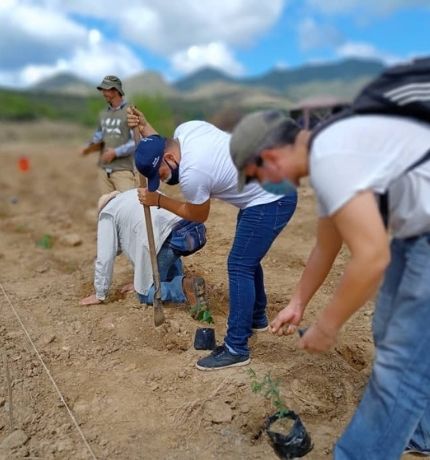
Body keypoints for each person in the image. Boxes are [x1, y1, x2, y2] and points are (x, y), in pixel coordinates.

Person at [229, 109, 430, 459]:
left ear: (270, 156)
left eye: (257, 175)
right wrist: (297, 303)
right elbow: (327, 245)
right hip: (417, 234)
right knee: (389, 328)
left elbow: (371, 258)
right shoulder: (328, 153)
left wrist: (328, 325)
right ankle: (422, 434)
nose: (263, 186)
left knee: (402, 349)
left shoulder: (331, 157)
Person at [127, 108, 298, 371]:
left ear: (171, 158)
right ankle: (257, 317)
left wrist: (159, 200)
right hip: (267, 188)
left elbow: (198, 214)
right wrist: (146, 127)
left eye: (160, 174)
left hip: (271, 199)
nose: (162, 180)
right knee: (247, 258)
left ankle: (236, 348)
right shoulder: (187, 130)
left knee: (239, 265)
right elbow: (162, 145)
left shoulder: (192, 174)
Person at [79, 188, 207, 308]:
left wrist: (100, 294)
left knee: (146, 293)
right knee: (167, 250)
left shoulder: (107, 213)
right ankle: (185, 285)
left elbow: (105, 257)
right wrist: (139, 281)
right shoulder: (138, 194)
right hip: (192, 230)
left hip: (168, 239)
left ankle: (183, 287)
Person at [81, 75, 137, 196]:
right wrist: (89, 145)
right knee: (107, 208)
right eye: (103, 90)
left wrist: (115, 152)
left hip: (123, 170)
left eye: (106, 89)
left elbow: (136, 141)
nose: (103, 93)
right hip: (103, 170)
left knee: (127, 206)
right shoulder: (103, 113)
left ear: (116, 90)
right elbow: (99, 135)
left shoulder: (131, 111)